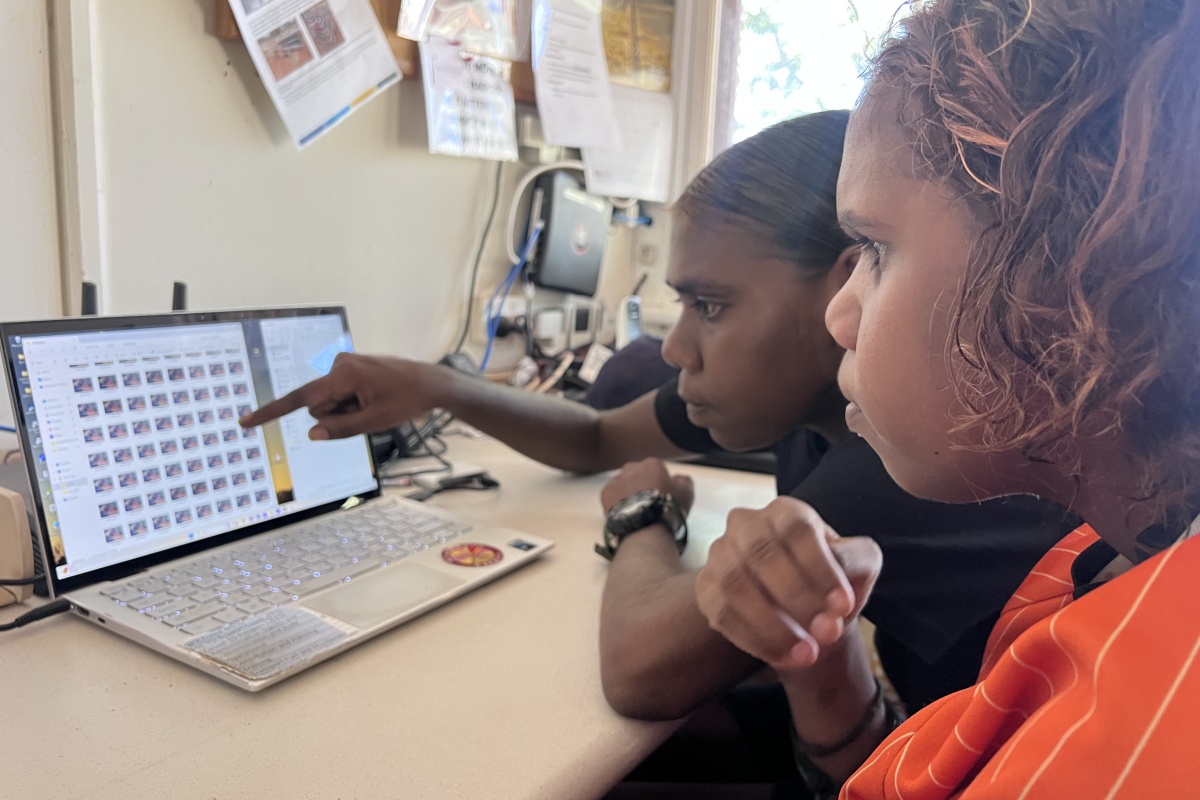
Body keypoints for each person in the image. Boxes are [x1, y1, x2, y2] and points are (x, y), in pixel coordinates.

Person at [239, 113, 1074, 727]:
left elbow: (641, 670)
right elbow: (594, 436)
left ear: (846, 290)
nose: (676, 348)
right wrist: (434, 384)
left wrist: (643, 518)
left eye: (710, 305)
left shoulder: (902, 450)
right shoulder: (792, 387)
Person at [690, 0, 1200, 796]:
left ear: (1072, 271)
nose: (839, 313)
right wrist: (827, 674)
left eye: (875, 249)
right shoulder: (1108, 553)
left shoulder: (1139, 729)